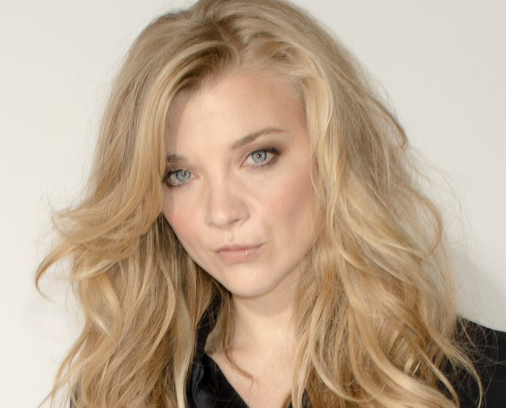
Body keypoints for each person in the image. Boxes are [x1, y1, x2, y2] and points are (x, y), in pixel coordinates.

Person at [36, 0, 505, 407]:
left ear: (332, 154)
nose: (222, 212)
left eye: (258, 156)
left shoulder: (482, 381)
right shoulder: (120, 394)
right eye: (180, 175)